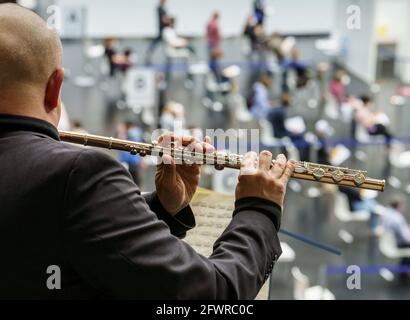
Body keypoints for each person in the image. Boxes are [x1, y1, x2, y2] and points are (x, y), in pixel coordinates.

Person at [0, 4, 296, 299]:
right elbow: (214, 296)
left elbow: (53, 237)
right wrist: (259, 209)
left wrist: (161, 210)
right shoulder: (79, 174)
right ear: (55, 87)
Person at [267, 93, 310, 162]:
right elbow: (282, 128)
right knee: (300, 136)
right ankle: (304, 159)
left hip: (277, 132)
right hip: (279, 134)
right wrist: (292, 131)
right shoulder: (281, 112)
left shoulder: (278, 109)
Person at [117, 121, 144, 186]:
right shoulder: (135, 133)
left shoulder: (132, 133)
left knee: (130, 182)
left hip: (130, 162)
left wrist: (121, 133)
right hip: (131, 162)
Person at [145, 0, 170, 65]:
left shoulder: (162, 8)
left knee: (164, 44)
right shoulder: (159, 8)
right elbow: (163, 19)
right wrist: (169, 20)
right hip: (162, 29)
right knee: (159, 43)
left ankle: (167, 58)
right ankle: (149, 54)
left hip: (164, 29)